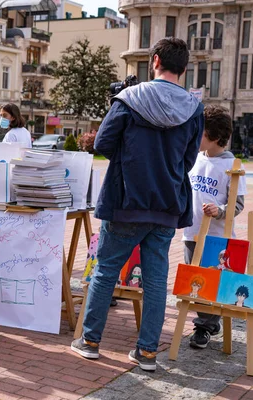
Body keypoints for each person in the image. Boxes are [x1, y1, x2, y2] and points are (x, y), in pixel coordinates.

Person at [70, 37, 204, 372]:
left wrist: (132, 161)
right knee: (157, 280)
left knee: (106, 270)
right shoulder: (193, 107)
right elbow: (188, 160)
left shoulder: (130, 99)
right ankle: (146, 353)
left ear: (154, 60)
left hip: (127, 199)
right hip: (167, 204)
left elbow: (103, 143)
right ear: (184, 67)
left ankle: (89, 341)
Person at [182, 104, 247, 349]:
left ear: (216, 137)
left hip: (217, 236)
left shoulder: (233, 166)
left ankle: (203, 327)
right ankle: (209, 322)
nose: (196, 136)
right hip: (192, 232)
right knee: (196, 282)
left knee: (211, 284)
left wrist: (219, 210)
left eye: (201, 132)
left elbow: (237, 205)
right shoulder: (195, 159)